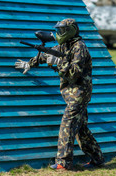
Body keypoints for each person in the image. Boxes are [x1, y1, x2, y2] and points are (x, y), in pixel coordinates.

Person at [15, 18, 105, 170]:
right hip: (71, 94)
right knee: (81, 129)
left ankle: (63, 163)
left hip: (80, 93)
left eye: (62, 30)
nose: (59, 33)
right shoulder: (64, 45)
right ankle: (98, 159)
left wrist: (58, 63)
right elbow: (45, 56)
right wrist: (29, 63)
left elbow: (74, 74)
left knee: (67, 125)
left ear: (71, 31)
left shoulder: (79, 47)